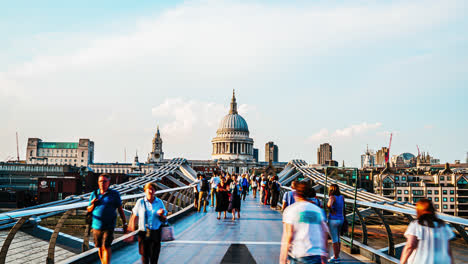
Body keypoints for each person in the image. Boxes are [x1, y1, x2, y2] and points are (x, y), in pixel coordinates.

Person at [280, 181, 329, 264]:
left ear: (296, 194)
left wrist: (282, 259)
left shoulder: (290, 210)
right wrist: (325, 256)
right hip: (317, 255)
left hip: (299, 254)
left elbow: (288, 236)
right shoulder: (318, 211)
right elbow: (325, 234)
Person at [87, 174, 127, 264]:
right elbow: (88, 209)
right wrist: (93, 204)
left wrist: (124, 223)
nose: (102, 183)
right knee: (100, 247)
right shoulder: (94, 194)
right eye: (100, 181)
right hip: (96, 225)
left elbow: (120, 209)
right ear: (98, 183)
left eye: (105, 181)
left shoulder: (114, 194)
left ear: (109, 183)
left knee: (106, 246)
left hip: (109, 225)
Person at [400, 198, 455, 264]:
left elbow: (410, 245)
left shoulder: (416, 224)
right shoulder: (443, 225)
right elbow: (448, 249)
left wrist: (402, 262)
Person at [129, 182, 167, 264]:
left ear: (155, 191)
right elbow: (134, 216)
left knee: (154, 255)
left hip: (156, 231)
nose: (150, 191)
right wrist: (131, 232)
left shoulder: (159, 202)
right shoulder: (140, 202)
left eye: (152, 189)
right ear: (145, 190)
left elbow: (164, 218)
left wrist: (162, 214)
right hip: (143, 232)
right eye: (148, 189)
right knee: (144, 255)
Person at [327, 184, 345, 263]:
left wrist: (331, 210)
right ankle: (337, 255)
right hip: (341, 219)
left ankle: (336, 258)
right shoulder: (342, 197)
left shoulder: (332, 197)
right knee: (338, 238)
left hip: (333, 219)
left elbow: (329, 205)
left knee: (334, 239)